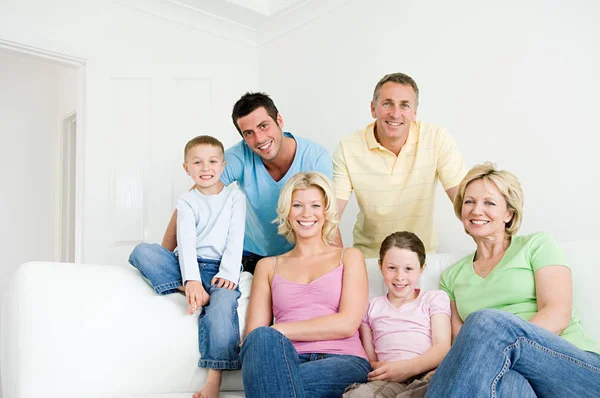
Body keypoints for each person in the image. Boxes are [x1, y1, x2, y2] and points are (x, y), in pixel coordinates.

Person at [426, 162, 600, 397]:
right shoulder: (451, 276)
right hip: (511, 372)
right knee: (507, 385)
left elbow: (558, 313)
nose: (477, 210)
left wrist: (499, 344)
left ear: (509, 213)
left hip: (573, 368)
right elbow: (463, 346)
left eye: (489, 202)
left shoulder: (537, 245)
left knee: (485, 322)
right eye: (469, 201)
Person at [128, 135, 246, 398]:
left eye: (212, 161)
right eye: (198, 162)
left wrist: (228, 273)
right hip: (187, 266)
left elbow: (235, 238)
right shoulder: (187, 201)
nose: (206, 168)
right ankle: (188, 289)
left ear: (223, 165)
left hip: (221, 270)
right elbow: (186, 243)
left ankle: (213, 380)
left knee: (222, 309)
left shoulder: (235, 198)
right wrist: (191, 279)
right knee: (142, 251)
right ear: (187, 168)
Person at [162, 92, 333, 274]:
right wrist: (164, 259)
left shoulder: (316, 157)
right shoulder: (239, 156)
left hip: (299, 255)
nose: (259, 139)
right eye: (249, 133)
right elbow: (194, 200)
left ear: (279, 121)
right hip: (250, 256)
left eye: (264, 126)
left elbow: (327, 217)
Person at [241, 171, 371, 398]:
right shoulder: (268, 266)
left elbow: (347, 324)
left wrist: (279, 330)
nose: (307, 214)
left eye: (315, 206)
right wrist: (271, 337)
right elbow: (255, 337)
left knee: (271, 385)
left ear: (326, 211)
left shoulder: (349, 257)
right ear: (287, 212)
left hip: (342, 360)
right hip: (286, 359)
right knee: (261, 340)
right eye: (298, 205)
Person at [333, 72, 467, 257]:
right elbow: (330, 218)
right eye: (387, 103)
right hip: (370, 257)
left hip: (421, 257)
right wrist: (338, 263)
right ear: (373, 109)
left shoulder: (436, 138)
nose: (395, 114)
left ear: (414, 112)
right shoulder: (348, 147)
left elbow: (465, 200)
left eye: (404, 105)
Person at [343, 231, 451, 398]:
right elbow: (370, 358)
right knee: (357, 395)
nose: (400, 277)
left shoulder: (433, 298)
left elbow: (442, 346)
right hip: (389, 380)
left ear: (422, 269)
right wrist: (382, 368)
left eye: (408, 269)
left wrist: (407, 368)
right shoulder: (370, 305)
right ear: (380, 266)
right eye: (392, 268)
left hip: (427, 375)